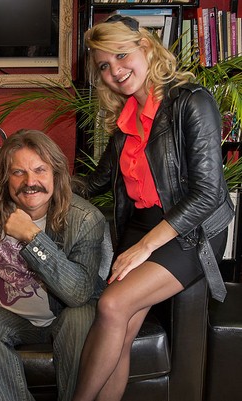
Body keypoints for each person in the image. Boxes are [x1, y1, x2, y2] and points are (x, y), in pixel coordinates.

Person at [70, 15, 235, 401]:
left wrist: (144, 247)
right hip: (142, 225)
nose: (115, 70)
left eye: (121, 55)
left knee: (112, 305)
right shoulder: (125, 120)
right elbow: (94, 184)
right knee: (121, 326)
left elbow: (207, 194)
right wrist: (38, 182)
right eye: (104, 66)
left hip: (192, 230)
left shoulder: (192, 101)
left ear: (146, 47)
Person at [0, 129, 109, 401]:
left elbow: (78, 293)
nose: (30, 182)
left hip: (63, 315)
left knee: (81, 317)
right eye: (18, 172)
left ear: (56, 173)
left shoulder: (85, 219)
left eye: (40, 170)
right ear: (5, 178)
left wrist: (32, 236)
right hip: (8, 316)